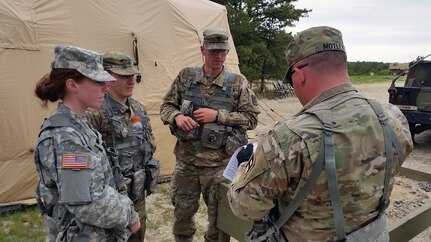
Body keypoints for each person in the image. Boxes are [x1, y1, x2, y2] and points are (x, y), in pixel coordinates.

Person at [228, 26, 414, 242]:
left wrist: (243, 167)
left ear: (299, 74)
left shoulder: (290, 136)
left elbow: (245, 207)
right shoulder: (393, 117)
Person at [160, 27, 260, 242]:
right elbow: (166, 106)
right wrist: (176, 116)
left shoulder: (237, 83)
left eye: (222, 52)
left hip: (219, 167)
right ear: (202, 50)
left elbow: (251, 119)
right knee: (182, 216)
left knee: (218, 221)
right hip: (186, 163)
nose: (218, 56)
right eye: (213, 51)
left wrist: (218, 115)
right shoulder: (186, 76)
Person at [34, 45, 141, 242]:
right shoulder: (64, 136)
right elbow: (88, 201)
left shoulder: (80, 124)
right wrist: (129, 214)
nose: (106, 87)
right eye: (98, 81)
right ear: (72, 85)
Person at [86, 51, 159, 242]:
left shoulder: (137, 109)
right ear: (107, 76)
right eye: (124, 76)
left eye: (133, 75)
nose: (131, 80)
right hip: (110, 199)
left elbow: (145, 142)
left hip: (136, 194)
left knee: (137, 236)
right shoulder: (95, 113)